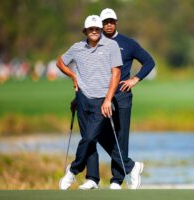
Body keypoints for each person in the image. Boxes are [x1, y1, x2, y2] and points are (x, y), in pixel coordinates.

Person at [57, 15, 122, 190]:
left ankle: (73, 170)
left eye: (97, 29)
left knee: (91, 136)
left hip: (102, 99)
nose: (94, 32)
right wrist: (73, 76)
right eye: (91, 29)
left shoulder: (111, 46)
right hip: (83, 99)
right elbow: (60, 62)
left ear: (100, 30)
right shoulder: (77, 48)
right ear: (85, 31)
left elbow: (116, 74)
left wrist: (108, 99)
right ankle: (92, 178)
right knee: (89, 139)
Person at [97, 8, 155, 189]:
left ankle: (117, 180)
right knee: (97, 133)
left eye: (111, 21)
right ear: (101, 24)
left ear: (116, 22)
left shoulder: (128, 43)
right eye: (105, 22)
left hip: (122, 95)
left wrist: (135, 79)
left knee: (121, 137)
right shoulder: (94, 43)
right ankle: (131, 167)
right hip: (100, 95)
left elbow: (149, 62)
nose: (108, 24)